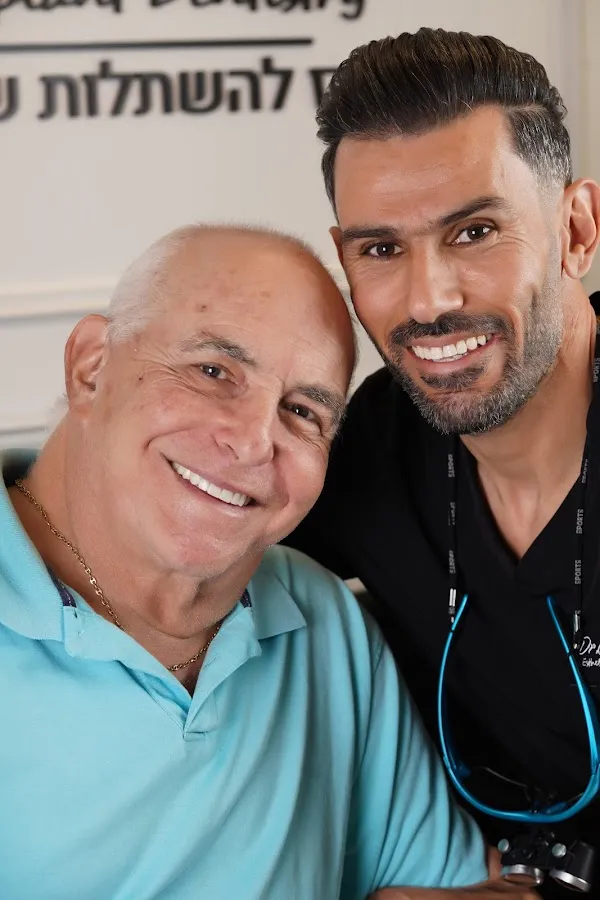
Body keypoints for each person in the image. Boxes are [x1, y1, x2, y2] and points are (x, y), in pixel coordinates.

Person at [0, 224, 513, 900]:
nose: (253, 442)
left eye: (303, 411)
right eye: (214, 372)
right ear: (92, 368)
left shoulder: (322, 622)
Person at [287, 27, 600, 898]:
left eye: (476, 231)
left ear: (576, 229)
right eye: (382, 249)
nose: (428, 300)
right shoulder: (374, 443)